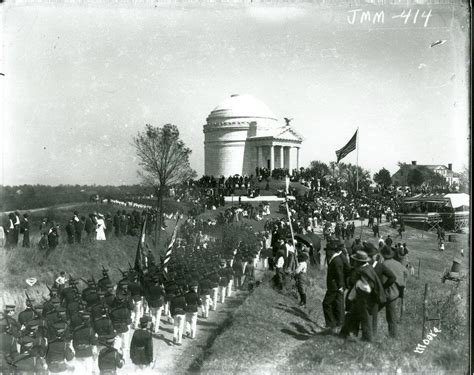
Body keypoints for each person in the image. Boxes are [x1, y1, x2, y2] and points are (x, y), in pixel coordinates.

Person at [340, 251, 386, 342]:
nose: (354, 262)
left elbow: (368, 288)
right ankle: (344, 334)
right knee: (351, 315)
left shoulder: (363, 271)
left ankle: (368, 340)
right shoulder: (367, 268)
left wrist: (358, 284)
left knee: (366, 320)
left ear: (359, 261)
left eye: (355, 260)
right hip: (360, 299)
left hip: (364, 299)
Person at [380, 246, 409, 338]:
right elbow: (406, 273)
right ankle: (393, 335)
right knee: (392, 315)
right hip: (395, 292)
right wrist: (403, 284)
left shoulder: (383, 264)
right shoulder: (398, 264)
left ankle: (369, 331)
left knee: (372, 310)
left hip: (384, 291)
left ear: (383, 255)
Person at [322, 243, 346, 334]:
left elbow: (339, 274)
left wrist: (340, 286)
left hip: (334, 287)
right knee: (335, 305)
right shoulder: (336, 259)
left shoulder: (336, 260)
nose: (327, 253)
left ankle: (330, 325)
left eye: (327, 250)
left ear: (332, 251)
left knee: (326, 304)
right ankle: (335, 324)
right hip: (335, 286)